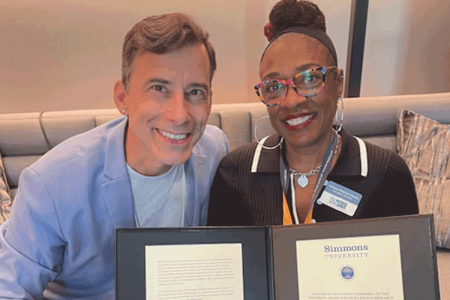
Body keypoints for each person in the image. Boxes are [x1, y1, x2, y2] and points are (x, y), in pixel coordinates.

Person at [0, 13, 228, 299]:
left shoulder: (214, 149)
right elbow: (9, 289)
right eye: (159, 89)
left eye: (195, 91)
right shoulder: (50, 183)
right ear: (123, 98)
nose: (180, 115)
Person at [207, 0, 418, 226]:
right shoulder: (235, 172)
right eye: (274, 86)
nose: (291, 101)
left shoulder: (386, 173)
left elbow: (406, 258)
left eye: (310, 78)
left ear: (338, 83)